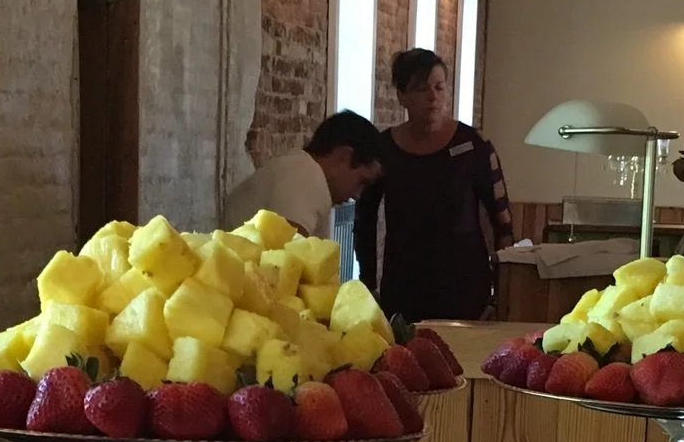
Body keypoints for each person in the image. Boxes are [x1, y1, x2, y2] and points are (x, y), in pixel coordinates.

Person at [353, 49, 515, 321]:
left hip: (465, 292)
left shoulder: (473, 146)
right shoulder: (383, 149)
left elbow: (503, 222)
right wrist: (368, 285)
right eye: (421, 89)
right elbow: (364, 222)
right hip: (403, 291)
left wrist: (499, 295)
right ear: (401, 96)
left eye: (439, 87)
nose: (433, 97)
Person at [218, 110, 384, 240]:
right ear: (343, 156)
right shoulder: (306, 176)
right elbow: (290, 263)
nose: (357, 195)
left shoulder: (300, 168)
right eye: (361, 182)